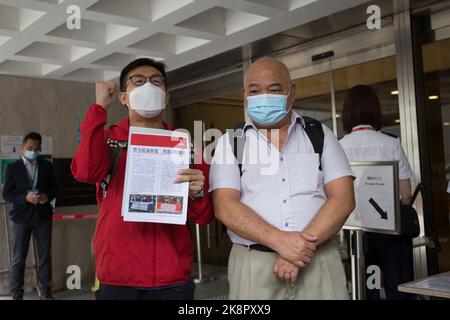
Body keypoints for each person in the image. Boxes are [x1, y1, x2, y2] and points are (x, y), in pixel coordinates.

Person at [209, 57, 355, 300]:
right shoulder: (232, 140)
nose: (264, 96)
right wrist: (282, 243)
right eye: (255, 90)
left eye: (274, 89)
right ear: (245, 94)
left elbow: (343, 198)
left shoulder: (318, 134)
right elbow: (224, 206)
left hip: (319, 262)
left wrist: (298, 250)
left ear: (291, 92)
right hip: (254, 267)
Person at [71, 58, 213, 300]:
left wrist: (198, 193)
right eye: (139, 81)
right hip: (118, 274)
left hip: (171, 276)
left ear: (166, 96)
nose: (149, 87)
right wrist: (99, 108)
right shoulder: (108, 139)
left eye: (156, 82)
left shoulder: (186, 145)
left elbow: (203, 216)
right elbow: (85, 172)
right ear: (124, 97)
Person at [339, 85, 415, 300]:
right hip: (391, 228)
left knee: (366, 288)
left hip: (357, 230)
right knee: (399, 287)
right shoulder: (391, 143)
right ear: (376, 110)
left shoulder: (338, 147)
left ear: (347, 113)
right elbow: (406, 193)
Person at [2, 132, 57, 300]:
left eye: (36, 148)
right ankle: (17, 293)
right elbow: (7, 194)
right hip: (20, 218)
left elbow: (54, 189)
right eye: (29, 148)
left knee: (44, 255)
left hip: (43, 216)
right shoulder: (12, 168)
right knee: (19, 257)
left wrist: (46, 197)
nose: (32, 151)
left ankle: (45, 291)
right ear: (22, 147)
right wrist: (24, 198)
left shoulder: (47, 166)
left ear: (40, 149)